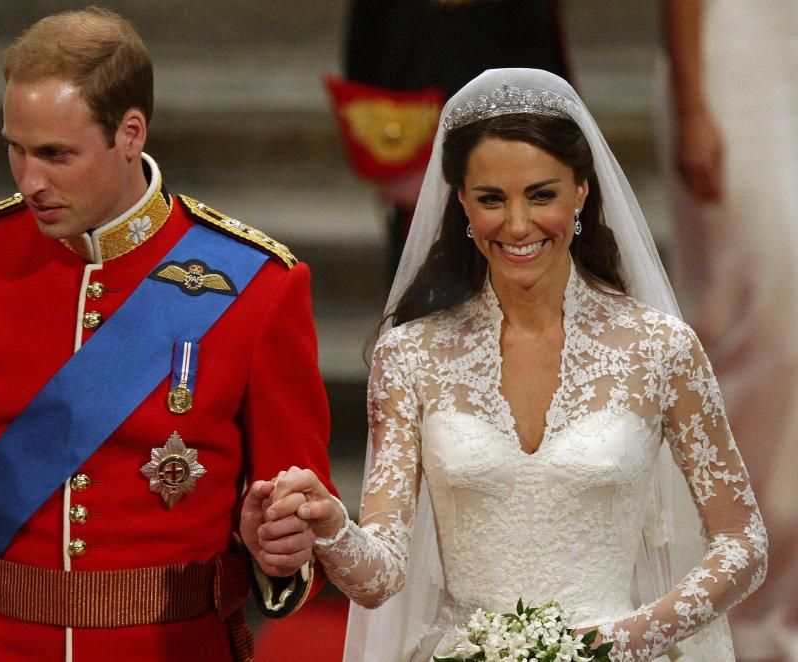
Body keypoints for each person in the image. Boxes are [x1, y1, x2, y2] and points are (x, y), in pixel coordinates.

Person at [0, 7, 332, 662]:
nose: (29, 181)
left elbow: (301, 527)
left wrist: (281, 548)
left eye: (55, 155)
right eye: (14, 149)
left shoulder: (258, 286)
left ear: (130, 133)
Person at [264, 69, 767, 661]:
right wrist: (332, 528)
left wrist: (624, 641)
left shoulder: (661, 348)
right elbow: (381, 578)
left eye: (542, 194)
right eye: (492, 200)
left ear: (582, 190)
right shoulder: (411, 356)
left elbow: (744, 542)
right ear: (461, 203)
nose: (519, 225)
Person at [661, 2, 798, 659]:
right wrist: (693, 103)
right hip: (733, 63)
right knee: (765, 329)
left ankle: (777, 618)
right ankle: (724, 596)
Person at [330, 0, 572, 282]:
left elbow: (539, 42)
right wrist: (391, 152)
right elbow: (370, 37)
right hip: (422, 126)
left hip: (516, 114)